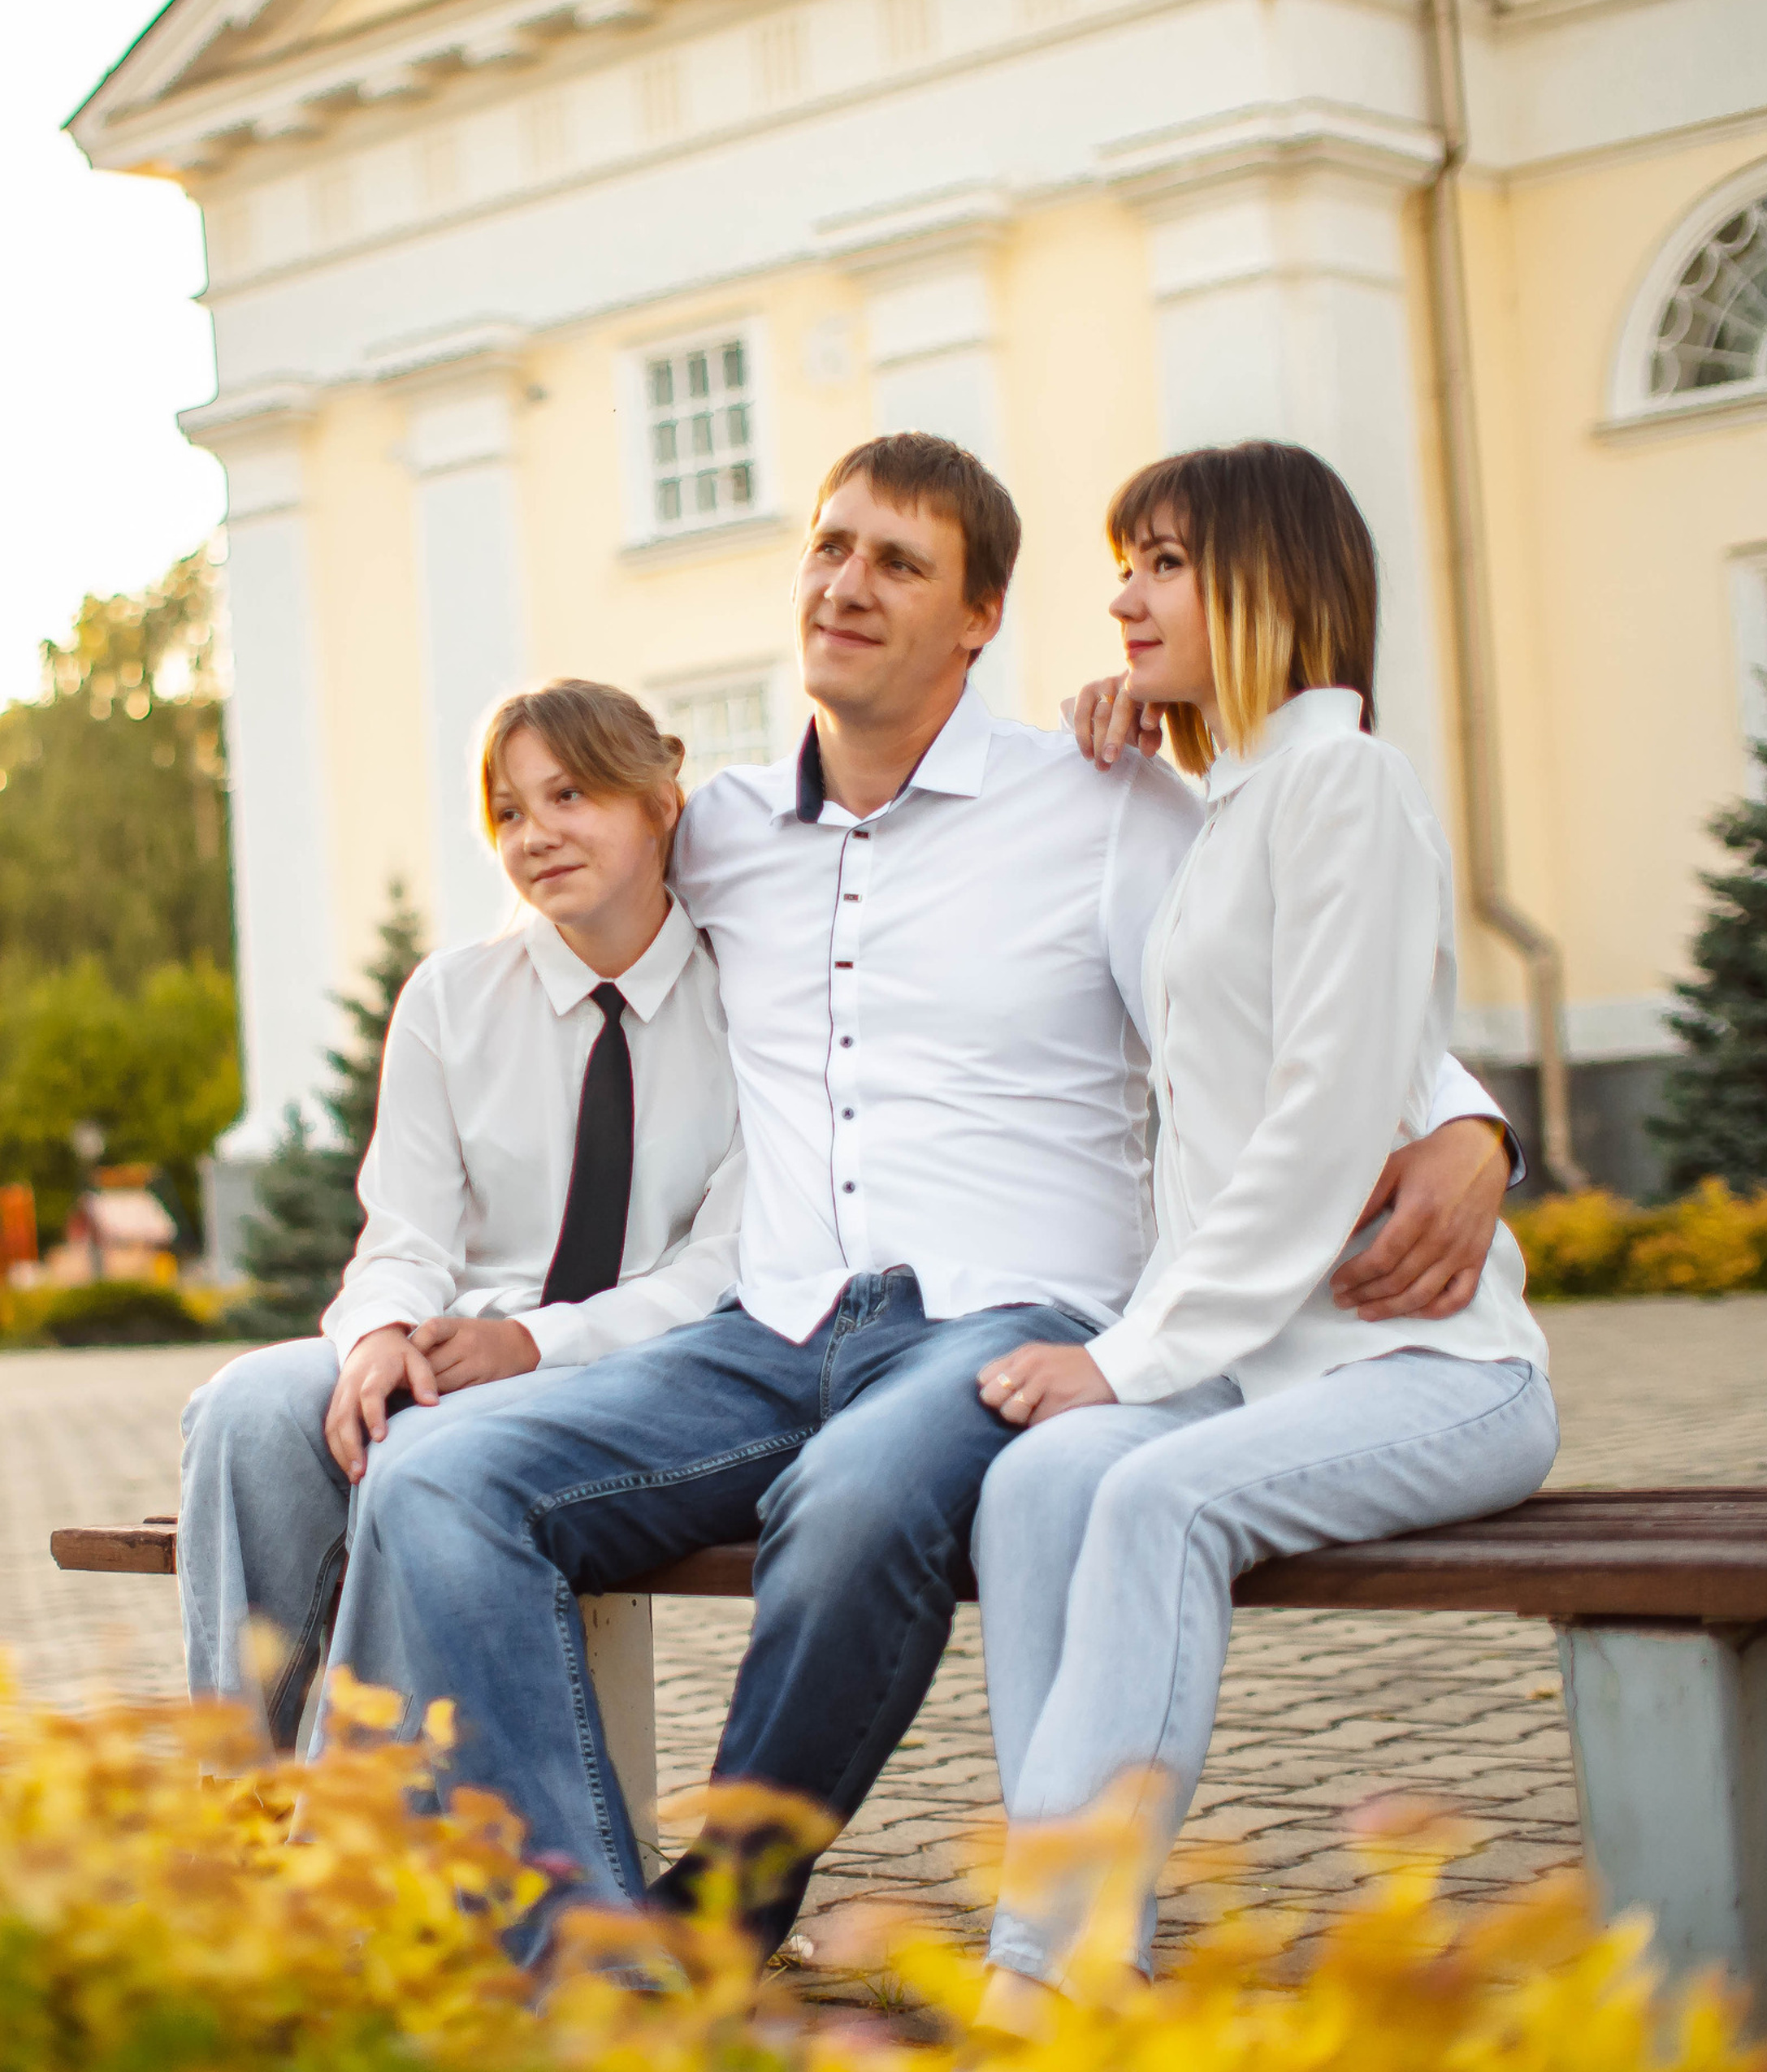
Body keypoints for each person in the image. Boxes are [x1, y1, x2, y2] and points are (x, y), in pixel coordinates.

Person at [321, 433, 1526, 1962]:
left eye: (900, 561)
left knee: (858, 1501)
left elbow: (1286, 979)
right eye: (830, 548)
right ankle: (591, 1955)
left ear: (982, 616)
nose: (847, 582)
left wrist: (1470, 1125)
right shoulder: (726, 832)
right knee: (436, 1480)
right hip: (772, 1325)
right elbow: (579, 876)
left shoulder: (1104, 804)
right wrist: (421, 1287)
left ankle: (727, 1915)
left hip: (1005, 1315)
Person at [969, 442, 1556, 2027]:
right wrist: (1148, 758)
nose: (1119, 592)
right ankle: (1098, 1945)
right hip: (1268, 1371)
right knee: (1034, 1488)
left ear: (1269, 580)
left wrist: (1126, 1358)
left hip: (1429, 1366)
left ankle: (1039, 1982)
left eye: (1160, 559)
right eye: (1123, 560)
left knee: (1151, 1491)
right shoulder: (1234, 804)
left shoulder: (1344, 782)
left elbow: (1315, 1120)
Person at [178, 680, 743, 1750]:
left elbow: (723, 1264)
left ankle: (356, 1847)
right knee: (247, 1409)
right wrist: (380, 1338)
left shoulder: (750, 1006)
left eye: (570, 794)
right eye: (511, 812)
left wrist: (528, 1342)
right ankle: (239, 1807)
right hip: (449, 1338)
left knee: (424, 1449)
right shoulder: (451, 999)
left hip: (633, 1365)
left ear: (661, 800)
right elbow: (405, 1229)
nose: (537, 835)